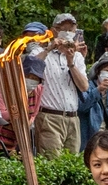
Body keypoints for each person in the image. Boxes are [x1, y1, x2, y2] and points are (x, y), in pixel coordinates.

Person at [34, 14, 89, 155]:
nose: (68, 33)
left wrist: (71, 62)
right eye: (63, 29)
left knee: (71, 166)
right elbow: (30, 69)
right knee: (51, 163)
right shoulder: (40, 52)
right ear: (54, 30)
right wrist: (49, 48)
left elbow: (84, 87)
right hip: (49, 117)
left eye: (71, 30)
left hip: (73, 119)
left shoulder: (77, 57)